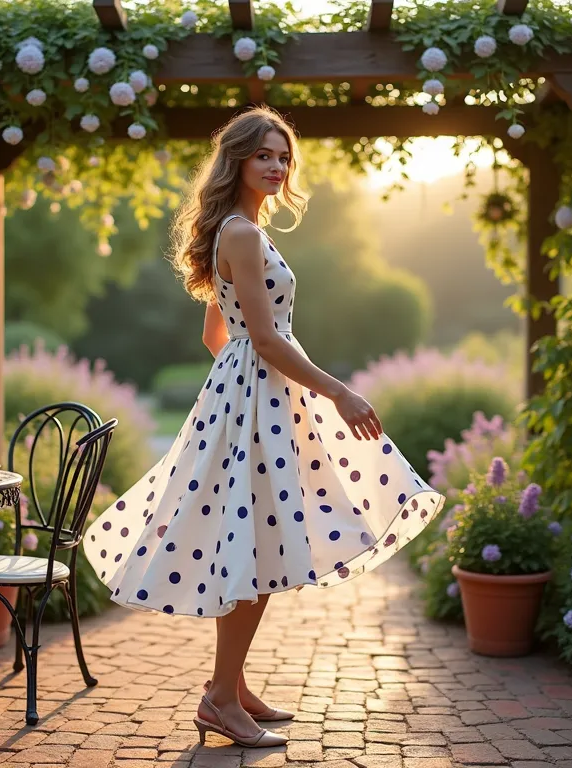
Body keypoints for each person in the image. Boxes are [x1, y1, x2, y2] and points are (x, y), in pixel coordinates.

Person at [84, 105, 444, 748]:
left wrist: (239, 387)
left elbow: (214, 333)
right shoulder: (243, 235)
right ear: (237, 162)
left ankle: (232, 686)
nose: (277, 167)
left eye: (283, 157)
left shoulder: (239, 229)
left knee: (262, 543)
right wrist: (336, 392)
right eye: (264, 156)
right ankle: (221, 698)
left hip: (253, 400)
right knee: (255, 546)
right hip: (260, 401)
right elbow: (267, 341)